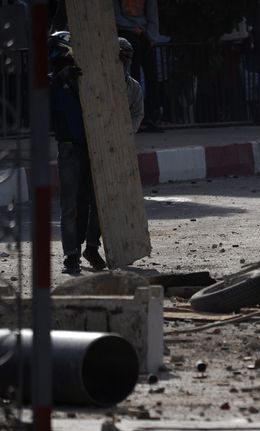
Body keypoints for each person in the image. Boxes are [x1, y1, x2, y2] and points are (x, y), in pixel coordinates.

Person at [49, 32, 143, 274]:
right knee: (71, 204)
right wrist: (60, 80)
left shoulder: (121, 85)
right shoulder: (59, 82)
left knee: (99, 202)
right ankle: (71, 255)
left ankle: (91, 247)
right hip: (70, 148)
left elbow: (127, 110)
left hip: (97, 148)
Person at [113, 0, 163, 133]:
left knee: (152, 75)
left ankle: (152, 116)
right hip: (126, 32)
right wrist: (134, 28)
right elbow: (116, 16)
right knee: (133, 74)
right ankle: (134, 116)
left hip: (144, 33)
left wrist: (151, 37)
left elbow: (153, 16)